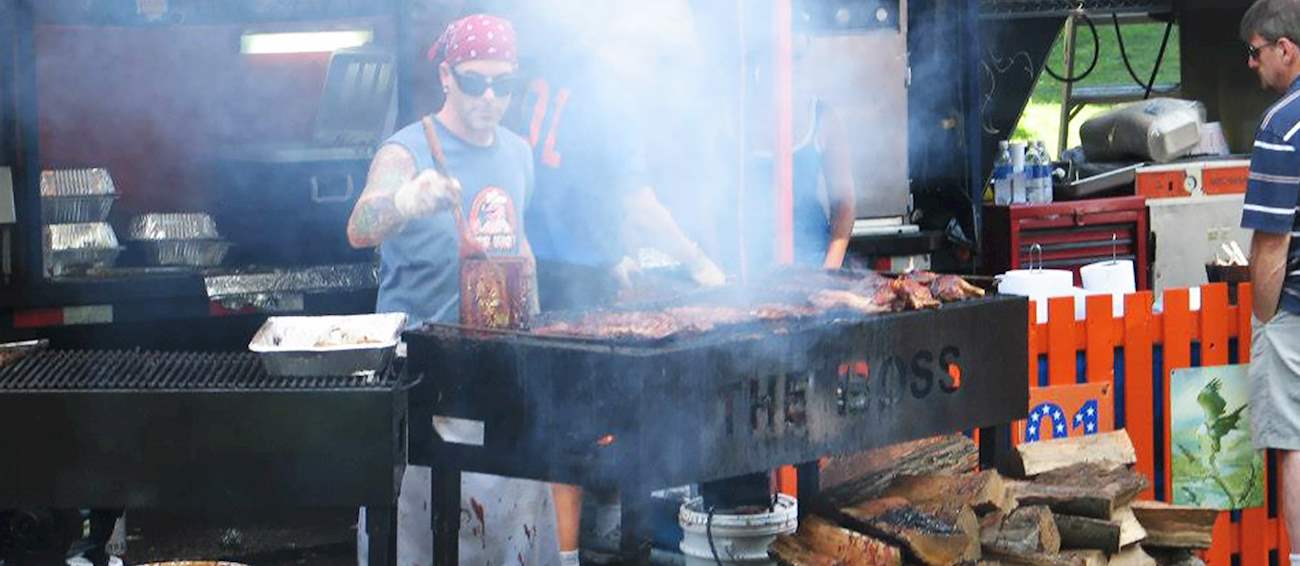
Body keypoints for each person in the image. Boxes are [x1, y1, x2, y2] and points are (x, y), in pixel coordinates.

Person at [510, 2, 726, 562]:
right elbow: (636, 204)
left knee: (556, 421)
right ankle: (577, 555)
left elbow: (566, 185)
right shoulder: (611, 96)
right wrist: (699, 260)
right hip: (566, 285)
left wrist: (608, 257)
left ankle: (568, 550)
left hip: (537, 267)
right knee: (577, 430)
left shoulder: (558, 69)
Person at [346, 13, 559, 565]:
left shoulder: (517, 153)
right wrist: (407, 201)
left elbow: (520, 245)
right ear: (446, 76)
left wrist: (538, 330)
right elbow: (359, 225)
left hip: (498, 373)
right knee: (421, 539)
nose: (490, 97)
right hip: (422, 380)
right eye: (474, 81)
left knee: (508, 538)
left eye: (502, 84)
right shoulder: (406, 149)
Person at [1239, 2, 1300, 562]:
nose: (1252, 65)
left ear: (1287, 49)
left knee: (1294, 446)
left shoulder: (1282, 124)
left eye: (1256, 52)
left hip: (1295, 315)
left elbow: (1272, 242)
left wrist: (1264, 317)